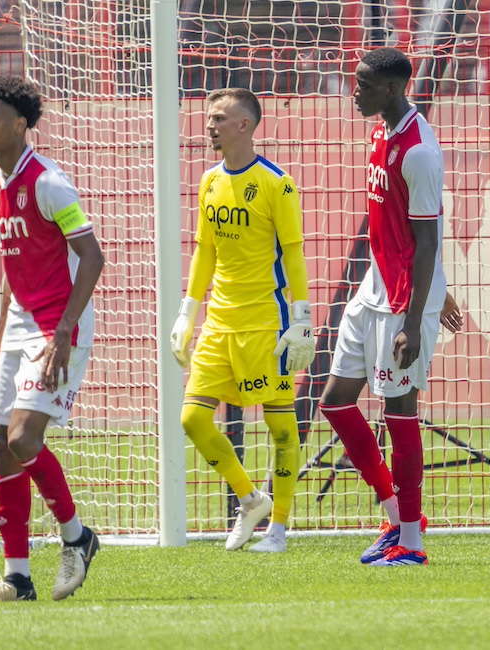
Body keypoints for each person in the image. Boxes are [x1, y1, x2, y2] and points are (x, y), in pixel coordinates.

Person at [0, 75, 105, 603]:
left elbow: (93, 257)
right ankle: (17, 576)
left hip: (60, 323)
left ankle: (77, 536)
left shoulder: (48, 182)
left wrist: (63, 333)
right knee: (3, 447)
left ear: (20, 125)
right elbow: (11, 270)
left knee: (24, 438)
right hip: (22, 322)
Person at [170, 87, 314, 553]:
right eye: (208, 117)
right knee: (192, 419)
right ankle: (251, 498)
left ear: (244, 126)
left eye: (218, 118)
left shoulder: (277, 183)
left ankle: (278, 530)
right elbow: (205, 251)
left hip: (264, 324)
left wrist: (302, 318)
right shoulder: (210, 181)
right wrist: (187, 313)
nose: (209, 125)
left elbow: (292, 254)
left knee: (279, 427)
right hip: (219, 323)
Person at [319, 47, 448, 566]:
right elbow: (396, 229)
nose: (356, 90)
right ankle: (395, 515)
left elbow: (428, 239)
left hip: (401, 305)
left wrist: (415, 320)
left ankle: (412, 543)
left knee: (399, 412)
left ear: (393, 89)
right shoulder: (379, 134)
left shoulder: (418, 151)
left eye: (364, 84)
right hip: (375, 289)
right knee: (335, 401)